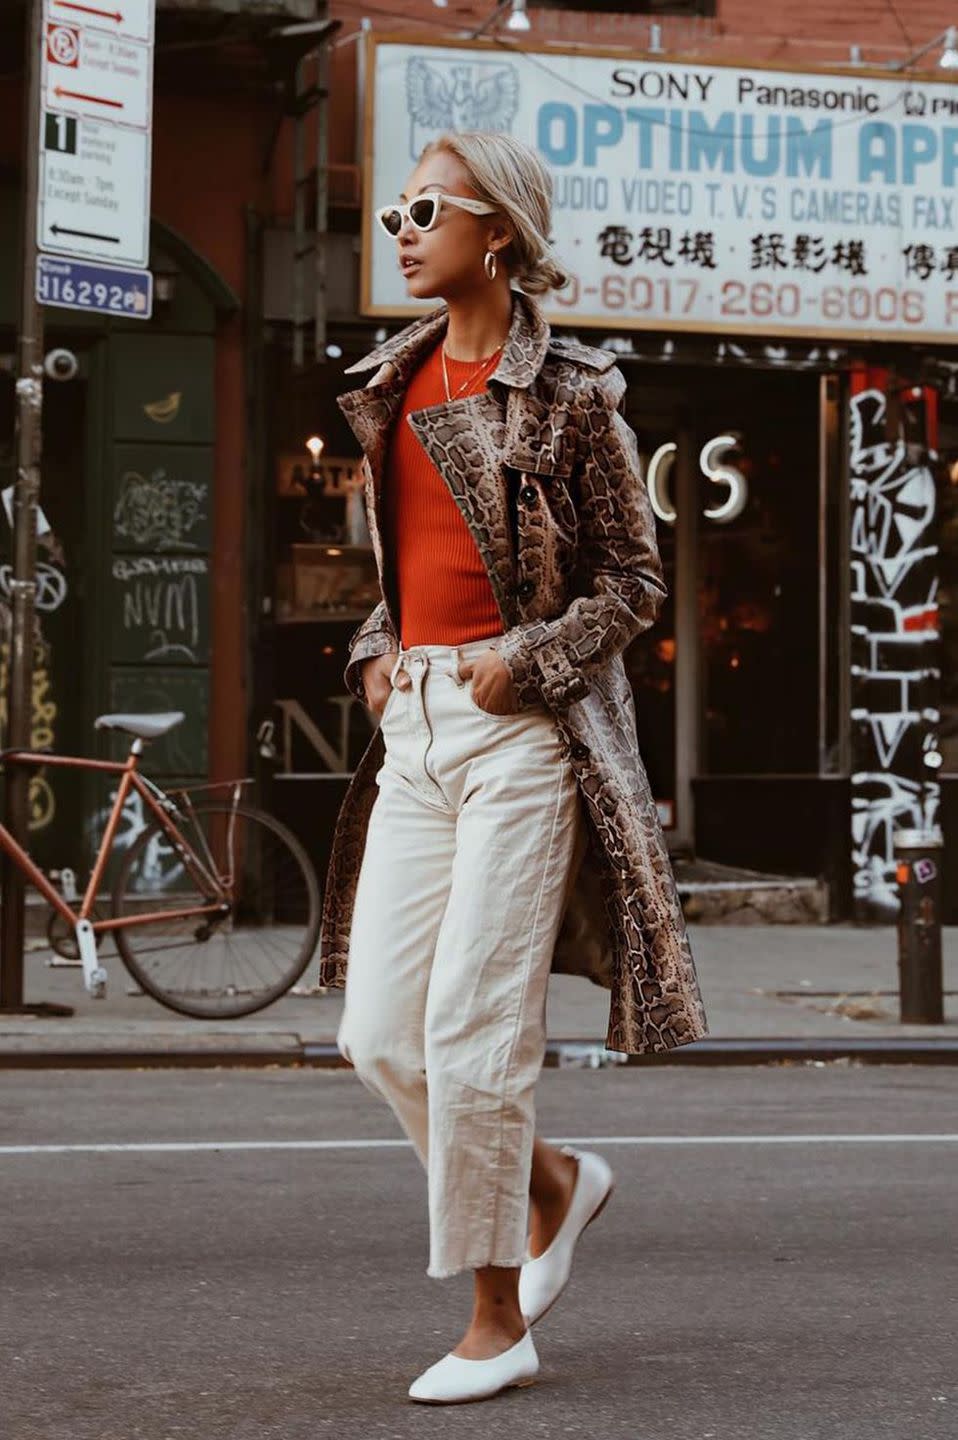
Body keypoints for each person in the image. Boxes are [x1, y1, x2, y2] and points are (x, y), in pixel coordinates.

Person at [321, 129, 708, 1405]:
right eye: (395, 212)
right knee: (381, 1035)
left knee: (474, 1034)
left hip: (522, 732)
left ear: (499, 231)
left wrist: (521, 663)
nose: (401, 229)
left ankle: (499, 1321)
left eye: (425, 207)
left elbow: (634, 584)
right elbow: (396, 574)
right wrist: (383, 651)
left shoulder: (572, 395)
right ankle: (553, 1184)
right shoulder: (392, 383)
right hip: (417, 730)